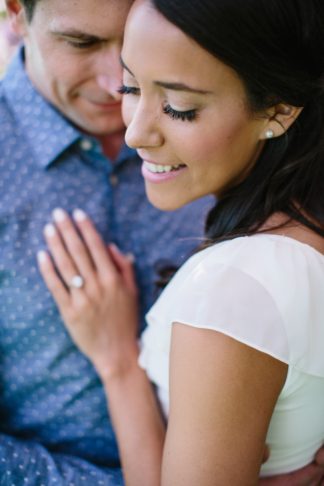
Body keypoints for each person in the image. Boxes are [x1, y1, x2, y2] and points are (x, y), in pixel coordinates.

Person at [37, 0, 324, 484]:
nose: (134, 133)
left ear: (278, 110)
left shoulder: (234, 288)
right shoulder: (297, 236)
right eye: (132, 87)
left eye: (179, 108)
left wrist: (119, 365)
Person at [0, 0, 213, 484]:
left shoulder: (219, 129)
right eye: (83, 43)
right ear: (15, 12)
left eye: (139, 38)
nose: (118, 83)